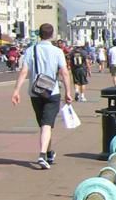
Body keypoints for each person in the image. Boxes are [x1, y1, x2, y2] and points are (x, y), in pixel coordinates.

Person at [11, 24, 74, 170]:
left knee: (44, 124)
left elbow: (24, 71)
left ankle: (49, 152)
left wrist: (16, 90)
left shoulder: (30, 50)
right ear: (52, 35)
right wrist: (68, 92)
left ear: (39, 34)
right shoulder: (57, 51)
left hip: (35, 92)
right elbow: (64, 72)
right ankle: (42, 155)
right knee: (47, 124)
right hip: (52, 91)